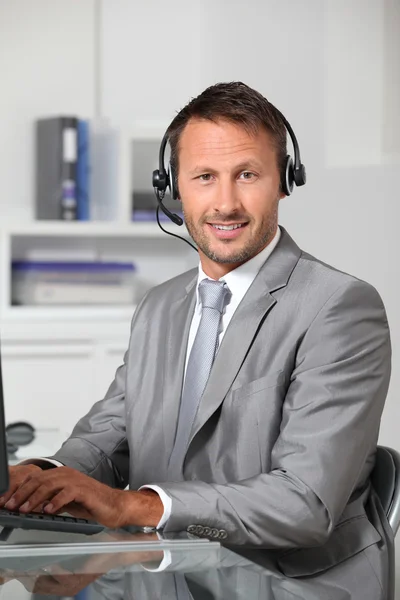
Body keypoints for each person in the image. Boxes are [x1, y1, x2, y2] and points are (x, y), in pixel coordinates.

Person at [0, 82, 392, 597]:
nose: (225, 203)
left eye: (247, 175)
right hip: (167, 570)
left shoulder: (339, 307)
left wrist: (133, 505)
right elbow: (108, 437)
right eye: (204, 177)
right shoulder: (160, 306)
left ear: (284, 182)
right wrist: (37, 479)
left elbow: (305, 504)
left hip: (290, 582)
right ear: (173, 188)